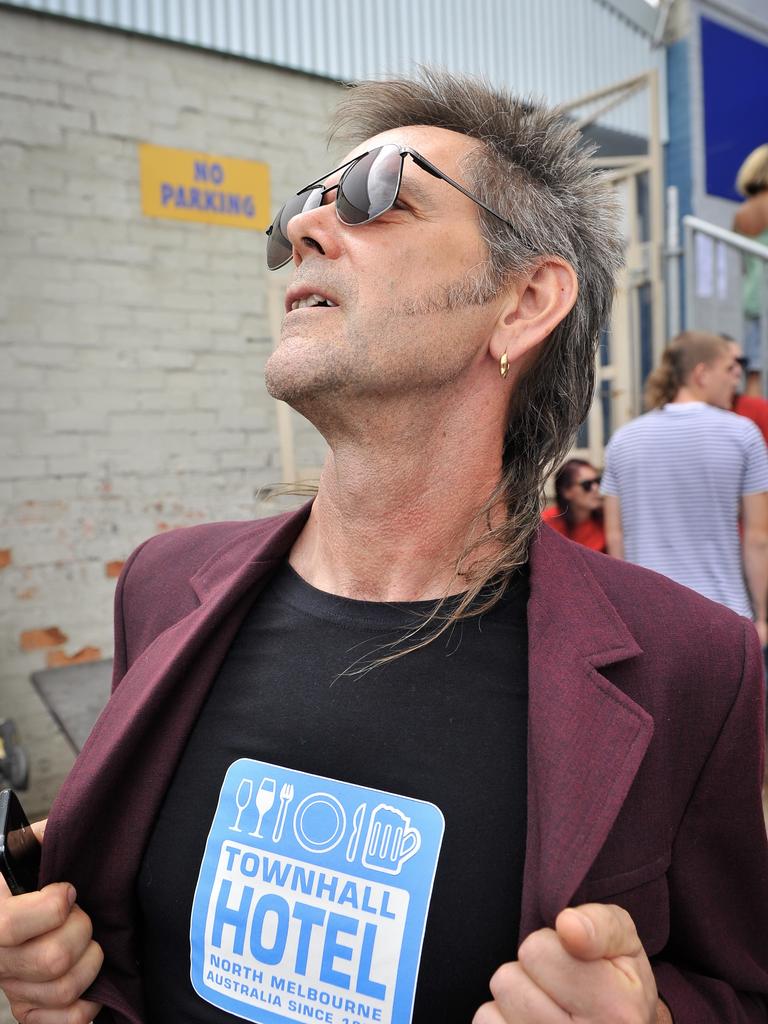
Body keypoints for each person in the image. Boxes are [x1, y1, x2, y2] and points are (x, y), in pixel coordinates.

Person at [1, 71, 767, 1024]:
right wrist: (35, 959)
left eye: (377, 195)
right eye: (302, 210)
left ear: (524, 300)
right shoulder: (163, 583)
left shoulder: (696, 664)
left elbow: (738, 985)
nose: (308, 234)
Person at [602, 330, 768, 640]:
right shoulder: (743, 434)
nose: (736, 380)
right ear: (701, 373)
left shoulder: (623, 440)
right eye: (728, 370)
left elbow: (616, 537)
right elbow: (758, 537)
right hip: (723, 615)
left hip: (645, 619)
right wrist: (762, 616)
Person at [733, 144, 768, 396]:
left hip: (753, 298)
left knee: (754, 369)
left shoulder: (742, 213)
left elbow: (742, 264)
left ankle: (756, 425)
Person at [542, 459, 606, 551]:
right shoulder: (546, 524)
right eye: (587, 484)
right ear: (566, 491)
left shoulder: (607, 521)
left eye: (597, 481)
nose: (596, 488)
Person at [727, 336, 768, 444]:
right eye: (730, 363)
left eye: (741, 362)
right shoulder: (693, 410)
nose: (738, 370)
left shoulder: (758, 408)